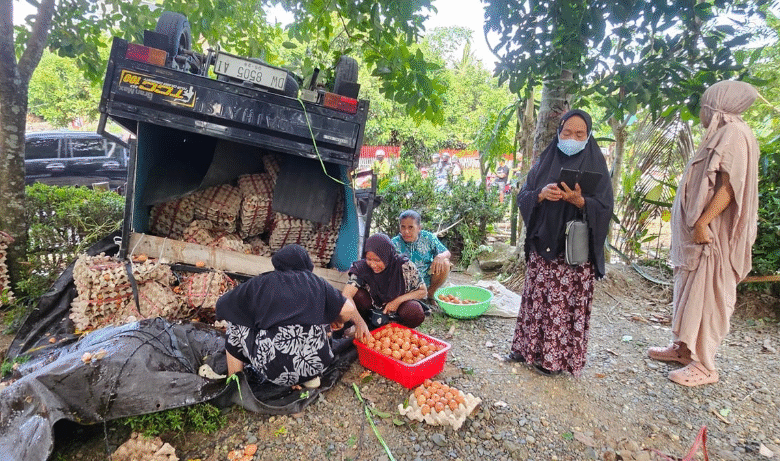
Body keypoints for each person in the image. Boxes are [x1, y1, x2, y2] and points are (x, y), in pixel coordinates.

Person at [647, 81, 759, 387]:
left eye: (704, 105)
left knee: (708, 296)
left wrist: (702, 222)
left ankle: (705, 365)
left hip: (713, 237)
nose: (701, 111)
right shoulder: (723, 132)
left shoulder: (735, 134)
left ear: (718, 105)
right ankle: (684, 349)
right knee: (690, 290)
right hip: (700, 238)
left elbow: (727, 187)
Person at [508, 109, 613, 376]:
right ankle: (526, 349)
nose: (572, 138)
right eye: (567, 133)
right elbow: (524, 196)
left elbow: (604, 208)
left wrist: (581, 202)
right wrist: (541, 195)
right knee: (537, 301)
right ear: (558, 133)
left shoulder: (597, 165)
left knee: (563, 307)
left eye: (579, 134)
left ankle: (554, 362)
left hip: (574, 256)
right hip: (544, 248)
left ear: (588, 136)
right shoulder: (545, 161)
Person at [215, 244, 369, 385]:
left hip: (274, 371)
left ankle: (234, 383)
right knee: (321, 323)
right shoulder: (317, 283)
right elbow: (348, 309)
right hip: (315, 364)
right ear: (307, 264)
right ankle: (309, 379)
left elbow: (222, 305)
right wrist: (336, 319)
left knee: (234, 321)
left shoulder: (262, 282)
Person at [343, 234, 427, 330]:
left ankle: (397, 329)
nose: (373, 265)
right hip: (371, 310)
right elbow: (346, 295)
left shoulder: (403, 265)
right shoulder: (362, 268)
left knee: (414, 310)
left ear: (387, 255)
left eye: (378, 260)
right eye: (369, 259)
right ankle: (367, 324)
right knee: (358, 295)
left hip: (397, 311)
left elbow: (423, 291)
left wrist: (398, 301)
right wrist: (359, 322)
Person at [391, 210, 451, 302]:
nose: (406, 231)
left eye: (411, 227)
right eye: (403, 227)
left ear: (419, 228)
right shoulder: (394, 243)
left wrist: (440, 257)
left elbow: (447, 252)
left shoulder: (428, 238)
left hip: (426, 279)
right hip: (404, 285)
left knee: (445, 263)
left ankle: (430, 294)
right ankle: (412, 298)